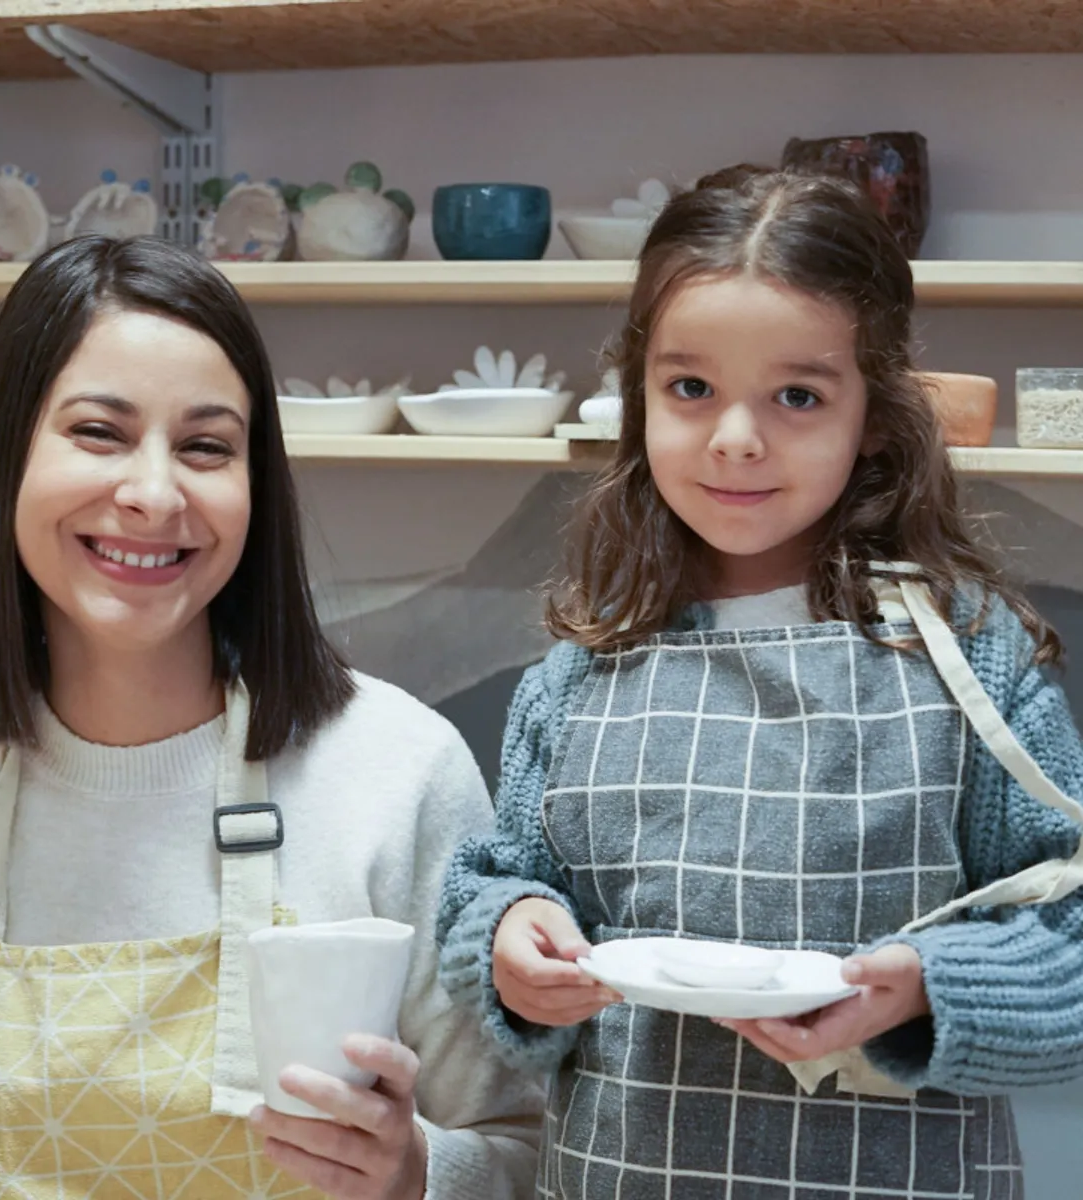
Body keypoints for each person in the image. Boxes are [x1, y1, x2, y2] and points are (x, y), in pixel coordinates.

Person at [0, 234, 545, 1200]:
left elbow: (529, 1156)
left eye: (207, 447)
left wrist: (413, 1173)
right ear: (6, 454)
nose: (154, 494)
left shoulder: (396, 772)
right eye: (99, 432)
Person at [436, 164, 1083, 1198]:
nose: (736, 438)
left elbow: (1070, 927)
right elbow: (498, 883)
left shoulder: (967, 658)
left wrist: (932, 986)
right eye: (691, 389)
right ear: (639, 396)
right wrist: (507, 942)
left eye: (797, 396)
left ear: (876, 414)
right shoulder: (580, 670)